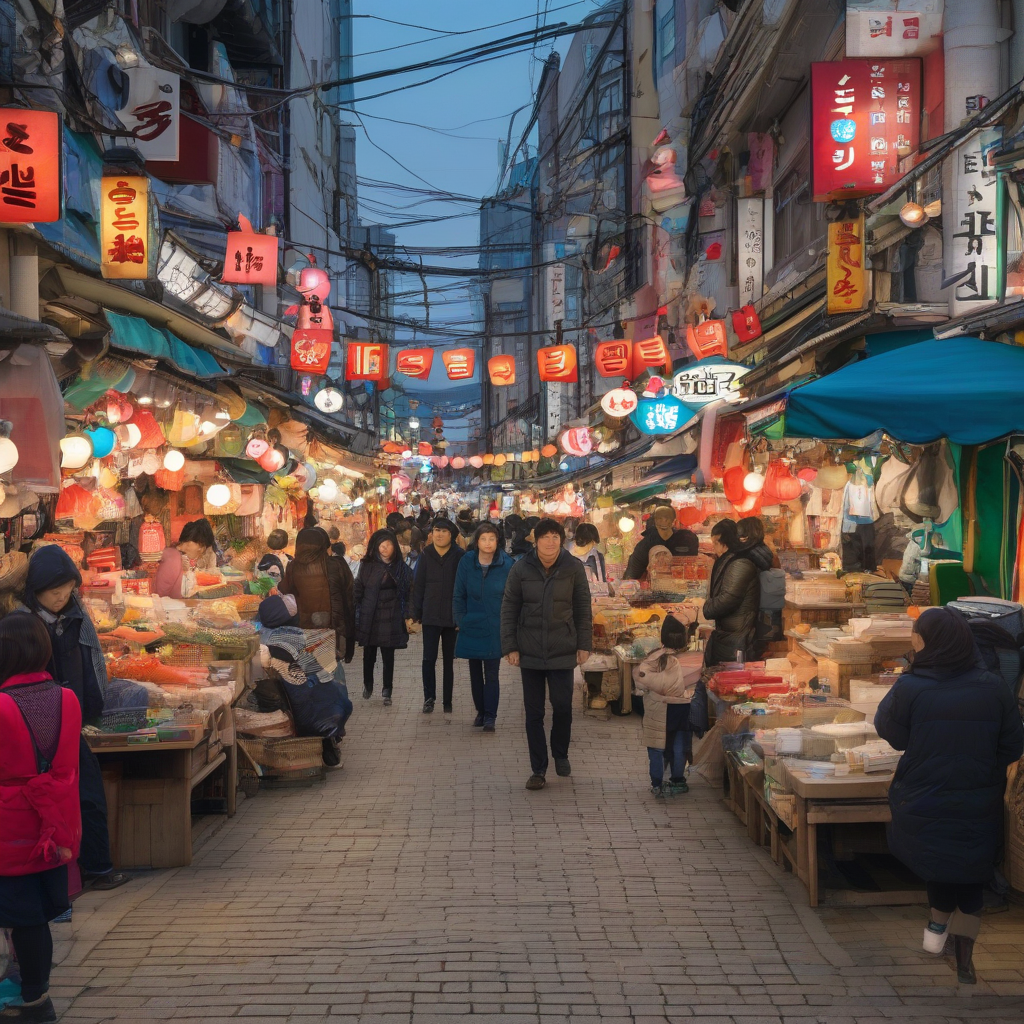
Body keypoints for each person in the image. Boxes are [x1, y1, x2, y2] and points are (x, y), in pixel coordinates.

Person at [875, 608, 1024, 984]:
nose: (912, 637)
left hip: (925, 792)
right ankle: (964, 959)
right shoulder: (993, 686)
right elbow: (1012, 746)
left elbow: (892, 734)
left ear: (928, 641)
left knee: (939, 864)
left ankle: (934, 934)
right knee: (971, 872)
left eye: (915, 632)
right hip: (979, 795)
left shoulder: (912, 685)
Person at [22, 546, 129, 892]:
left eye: (67, 588)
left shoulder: (77, 620)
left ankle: (97, 867)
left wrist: (89, 709)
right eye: (54, 590)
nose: (61, 596)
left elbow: (91, 667)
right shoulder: (22, 623)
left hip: (70, 724)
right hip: (31, 729)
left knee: (89, 796)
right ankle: (50, 874)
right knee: (41, 805)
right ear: (35, 589)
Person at [0, 613, 82, 1023]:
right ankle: (32, 996)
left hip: (9, 828)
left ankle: (32, 1002)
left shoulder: (1, 705)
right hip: (54, 824)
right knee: (33, 917)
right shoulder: (67, 698)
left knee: (19, 916)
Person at [501, 518, 592, 790]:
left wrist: (583, 645)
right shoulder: (520, 568)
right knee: (533, 713)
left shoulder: (573, 568)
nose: (550, 542)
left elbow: (582, 608)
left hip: (562, 648)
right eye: (545, 537)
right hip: (529, 650)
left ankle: (560, 753)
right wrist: (510, 646)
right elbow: (509, 608)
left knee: (563, 707)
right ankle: (538, 768)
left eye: (556, 537)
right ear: (535, 540)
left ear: (561, 541)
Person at [453, 523, 512, 731]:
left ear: (498, 542)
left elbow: (513, 598)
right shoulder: (466, 562)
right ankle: (480, 711)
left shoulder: (507, 565)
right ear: (476, 541)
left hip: (495, 625)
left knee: (492, 673)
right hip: (471, 624)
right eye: (483, 539)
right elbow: (458, 593)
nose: (488, 543)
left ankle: (490, 716)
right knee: (475, 671)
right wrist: (461, 619)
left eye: (492, 539)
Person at [279, 527, 355, 669]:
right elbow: (349, 593)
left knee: (311, 668)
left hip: (305, 627)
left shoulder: (293, 567)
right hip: (333, 625)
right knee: (330, 669)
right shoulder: (336, 564)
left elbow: (285, 589)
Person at [411, 517, 464, 714]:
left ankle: (447, 701)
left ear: (451, 535)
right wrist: (415, 613)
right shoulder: (426, 555)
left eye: (443, 531)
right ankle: (429, 698)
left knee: (449, 661)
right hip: (431, 615)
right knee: (428, 659)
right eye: (436, 530)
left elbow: (464, 587)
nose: (439, 534)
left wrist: (461, 616)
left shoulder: (460, 556)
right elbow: (418, 585)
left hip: (452, 617)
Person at [354, 529, 413, 706]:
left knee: (388, 655)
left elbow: (410, 591)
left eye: (388, 545)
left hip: (392, 614)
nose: (384, 548)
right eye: (381, 545)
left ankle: (387, 689)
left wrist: (409, 614)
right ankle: (368, 684)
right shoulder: (368, 565)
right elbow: (358, 588)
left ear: (394, 546)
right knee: (369, 653)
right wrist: (355, 609)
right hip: (370, 614)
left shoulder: (401, 568)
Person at [633, 649, 697, 797]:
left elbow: (640, 682)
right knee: (679, 746)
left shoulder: (653, 660)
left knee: (656, 747)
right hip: (681, 708)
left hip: (657, 708)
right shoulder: (686, 660)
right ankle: (677, 780)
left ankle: (656, 784)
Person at [702, 519, 761, 667]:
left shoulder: (740, 563)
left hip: (737, 639)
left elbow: (728, 599)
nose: (714, 547)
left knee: (732, 684)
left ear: (724, 540)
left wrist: (706, 608)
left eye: (715, 542)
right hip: (728, 636)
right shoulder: (729, 560)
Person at [736, 517, 786, 655]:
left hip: (753, 605)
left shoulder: (745, 552)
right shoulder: (765, 550)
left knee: (751, 646)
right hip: (767, 605)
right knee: (761, 644)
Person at [622, 505, 699, 580]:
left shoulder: (687, 539)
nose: (663, 522)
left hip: (683, 585)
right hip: (655, 588)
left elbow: (692, 567)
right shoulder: (645, 544)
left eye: (667, 519)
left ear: (674, 521)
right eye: (660, 518)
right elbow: (631, 576)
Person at [152, 518, 217, 598]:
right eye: (200, 546)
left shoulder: (208, 554)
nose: (202, 550)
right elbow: (162, 593)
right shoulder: (174, 557)